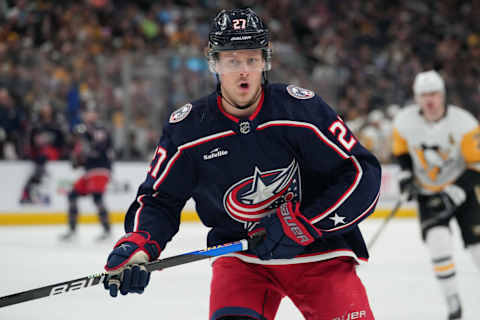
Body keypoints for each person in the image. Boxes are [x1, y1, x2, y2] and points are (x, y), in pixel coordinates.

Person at [103, 8, 382, 320]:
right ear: (215, 62)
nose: (244, 71)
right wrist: (140, 245)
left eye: (252, 59)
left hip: (320, 255)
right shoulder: (189, 129)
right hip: (242, 260)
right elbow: (159, 200)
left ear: (265, 61)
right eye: (233, 60)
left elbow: (363, 174)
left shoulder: (301, 111)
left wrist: (305, 222)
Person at [392, 70, 480, 320]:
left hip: (463, 193)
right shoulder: (404, 122)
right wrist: (406, 176)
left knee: (478, 249)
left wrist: (456, 191)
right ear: (416, 98)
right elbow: (401, 152)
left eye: (433, 94)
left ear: (442, 95)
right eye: (423, 95)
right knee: (438, 244)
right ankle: (452, 302)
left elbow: (477, 164)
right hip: (428, 192)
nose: (429, 100)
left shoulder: (465, 124)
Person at [60, 107, 114, 241]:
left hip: (100, 168)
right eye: (86, 113)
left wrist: (86, 140)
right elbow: (80, 155)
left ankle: (107, 230)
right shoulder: (81, 132)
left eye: (91, 113)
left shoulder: (99, 129)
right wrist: (77, 159)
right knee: (72, 195)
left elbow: (99, 147)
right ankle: (72, 230)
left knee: (97, 197)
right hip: (89, 170)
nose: (89, 116)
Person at [20, 102, 66, 204]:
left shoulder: (56, 125)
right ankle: (32, 188)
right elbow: (31, 141)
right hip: (39, 153)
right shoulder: (36, 125)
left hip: (52, 151)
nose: (46, 111)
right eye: (44, 109)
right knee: (40, 156)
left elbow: (61, 141)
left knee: (43, 155)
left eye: (48, 109)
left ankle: (32, 186)